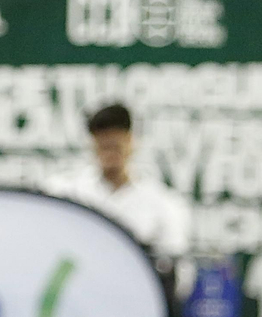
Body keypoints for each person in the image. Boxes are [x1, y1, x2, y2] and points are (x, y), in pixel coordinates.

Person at [57, 103, 191, 258]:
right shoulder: (69, 193)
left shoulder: (162, 203)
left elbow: (175, 263)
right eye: (103, 144)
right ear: (92, 143)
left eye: (115, 144)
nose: (109, 151)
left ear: (131, 141)